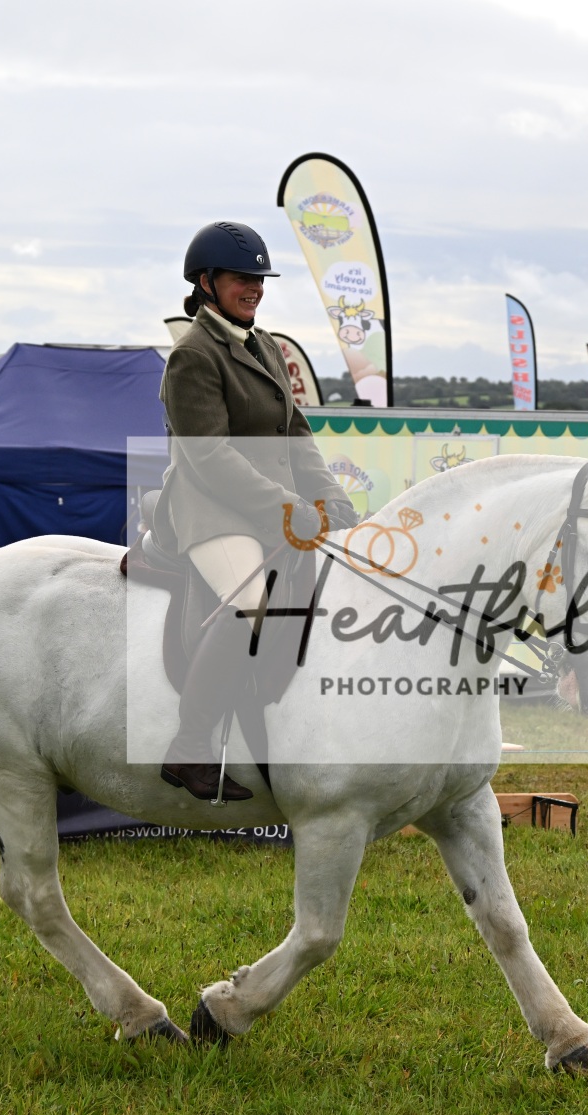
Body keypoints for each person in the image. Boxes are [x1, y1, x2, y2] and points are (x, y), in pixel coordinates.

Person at [157, 220, 357, 802]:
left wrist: (330, 496)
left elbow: (296, 433)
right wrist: (289, 505)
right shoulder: (192, 356)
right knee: (250, 600)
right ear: (206, 282)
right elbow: (210, 457)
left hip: (268, 507)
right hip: (210, 508)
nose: (255, 288)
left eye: (260, 279)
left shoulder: (263, 344)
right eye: (242, 278)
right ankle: (189, 746)